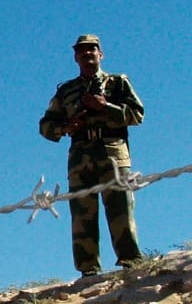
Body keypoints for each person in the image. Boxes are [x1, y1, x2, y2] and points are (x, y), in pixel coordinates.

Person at [39, 34, 144, 277]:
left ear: (101, 54)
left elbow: (137, 114)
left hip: (112, 151)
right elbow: (45, 125)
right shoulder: (66, 91)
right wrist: (65, 128)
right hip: (80, 155)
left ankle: (130, 262)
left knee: (120, 206)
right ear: (76, 57)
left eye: (92, 50)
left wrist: (105, 107)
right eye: (82, 51)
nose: (87, 54)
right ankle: (88, 270)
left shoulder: (117, 83)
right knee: (81, 211)